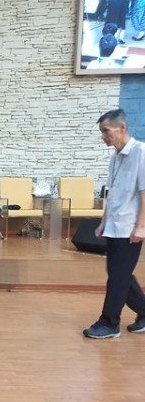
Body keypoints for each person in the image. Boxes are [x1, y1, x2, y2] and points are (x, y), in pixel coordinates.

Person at [83, 109, 145, 338]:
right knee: (119, 273)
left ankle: (109, 323)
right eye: (101, 132)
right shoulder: (115, 157)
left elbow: (144, 192)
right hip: (114, 225)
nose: (103, 136)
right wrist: (103, 222)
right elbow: (112, 194)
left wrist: (141, 226)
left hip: (130, 226)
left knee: (118, 275)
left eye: (106, 131)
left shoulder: (141, 153)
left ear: (122, 127)